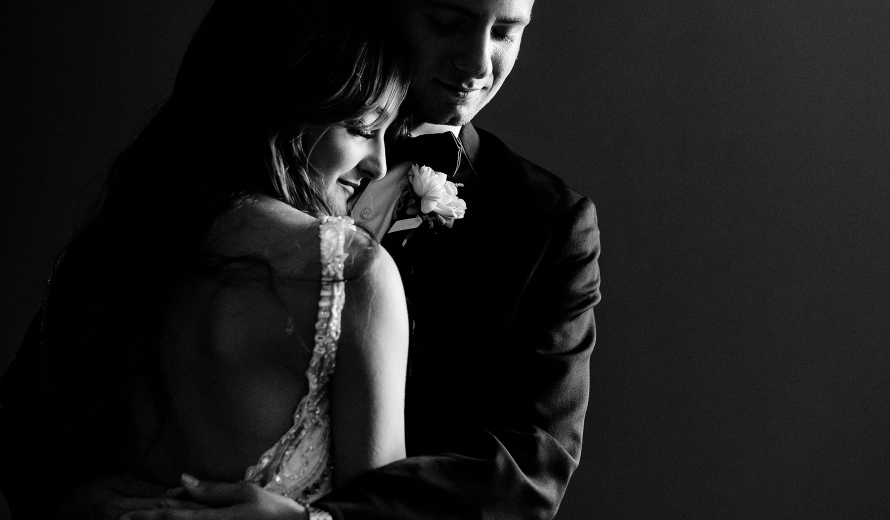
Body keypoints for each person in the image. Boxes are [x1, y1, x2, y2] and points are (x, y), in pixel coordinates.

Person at [3, 0, 603, 518]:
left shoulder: (544, 224)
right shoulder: (206, 167)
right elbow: (43, 394)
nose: (477, 65)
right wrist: (74, 502)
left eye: (506, 32)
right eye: (448, 22)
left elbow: (530, 470)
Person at [0, 0, 412, 518]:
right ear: (286, 104)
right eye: (363, 127)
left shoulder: (110, 249)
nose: (379, 164)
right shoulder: (350, 271)